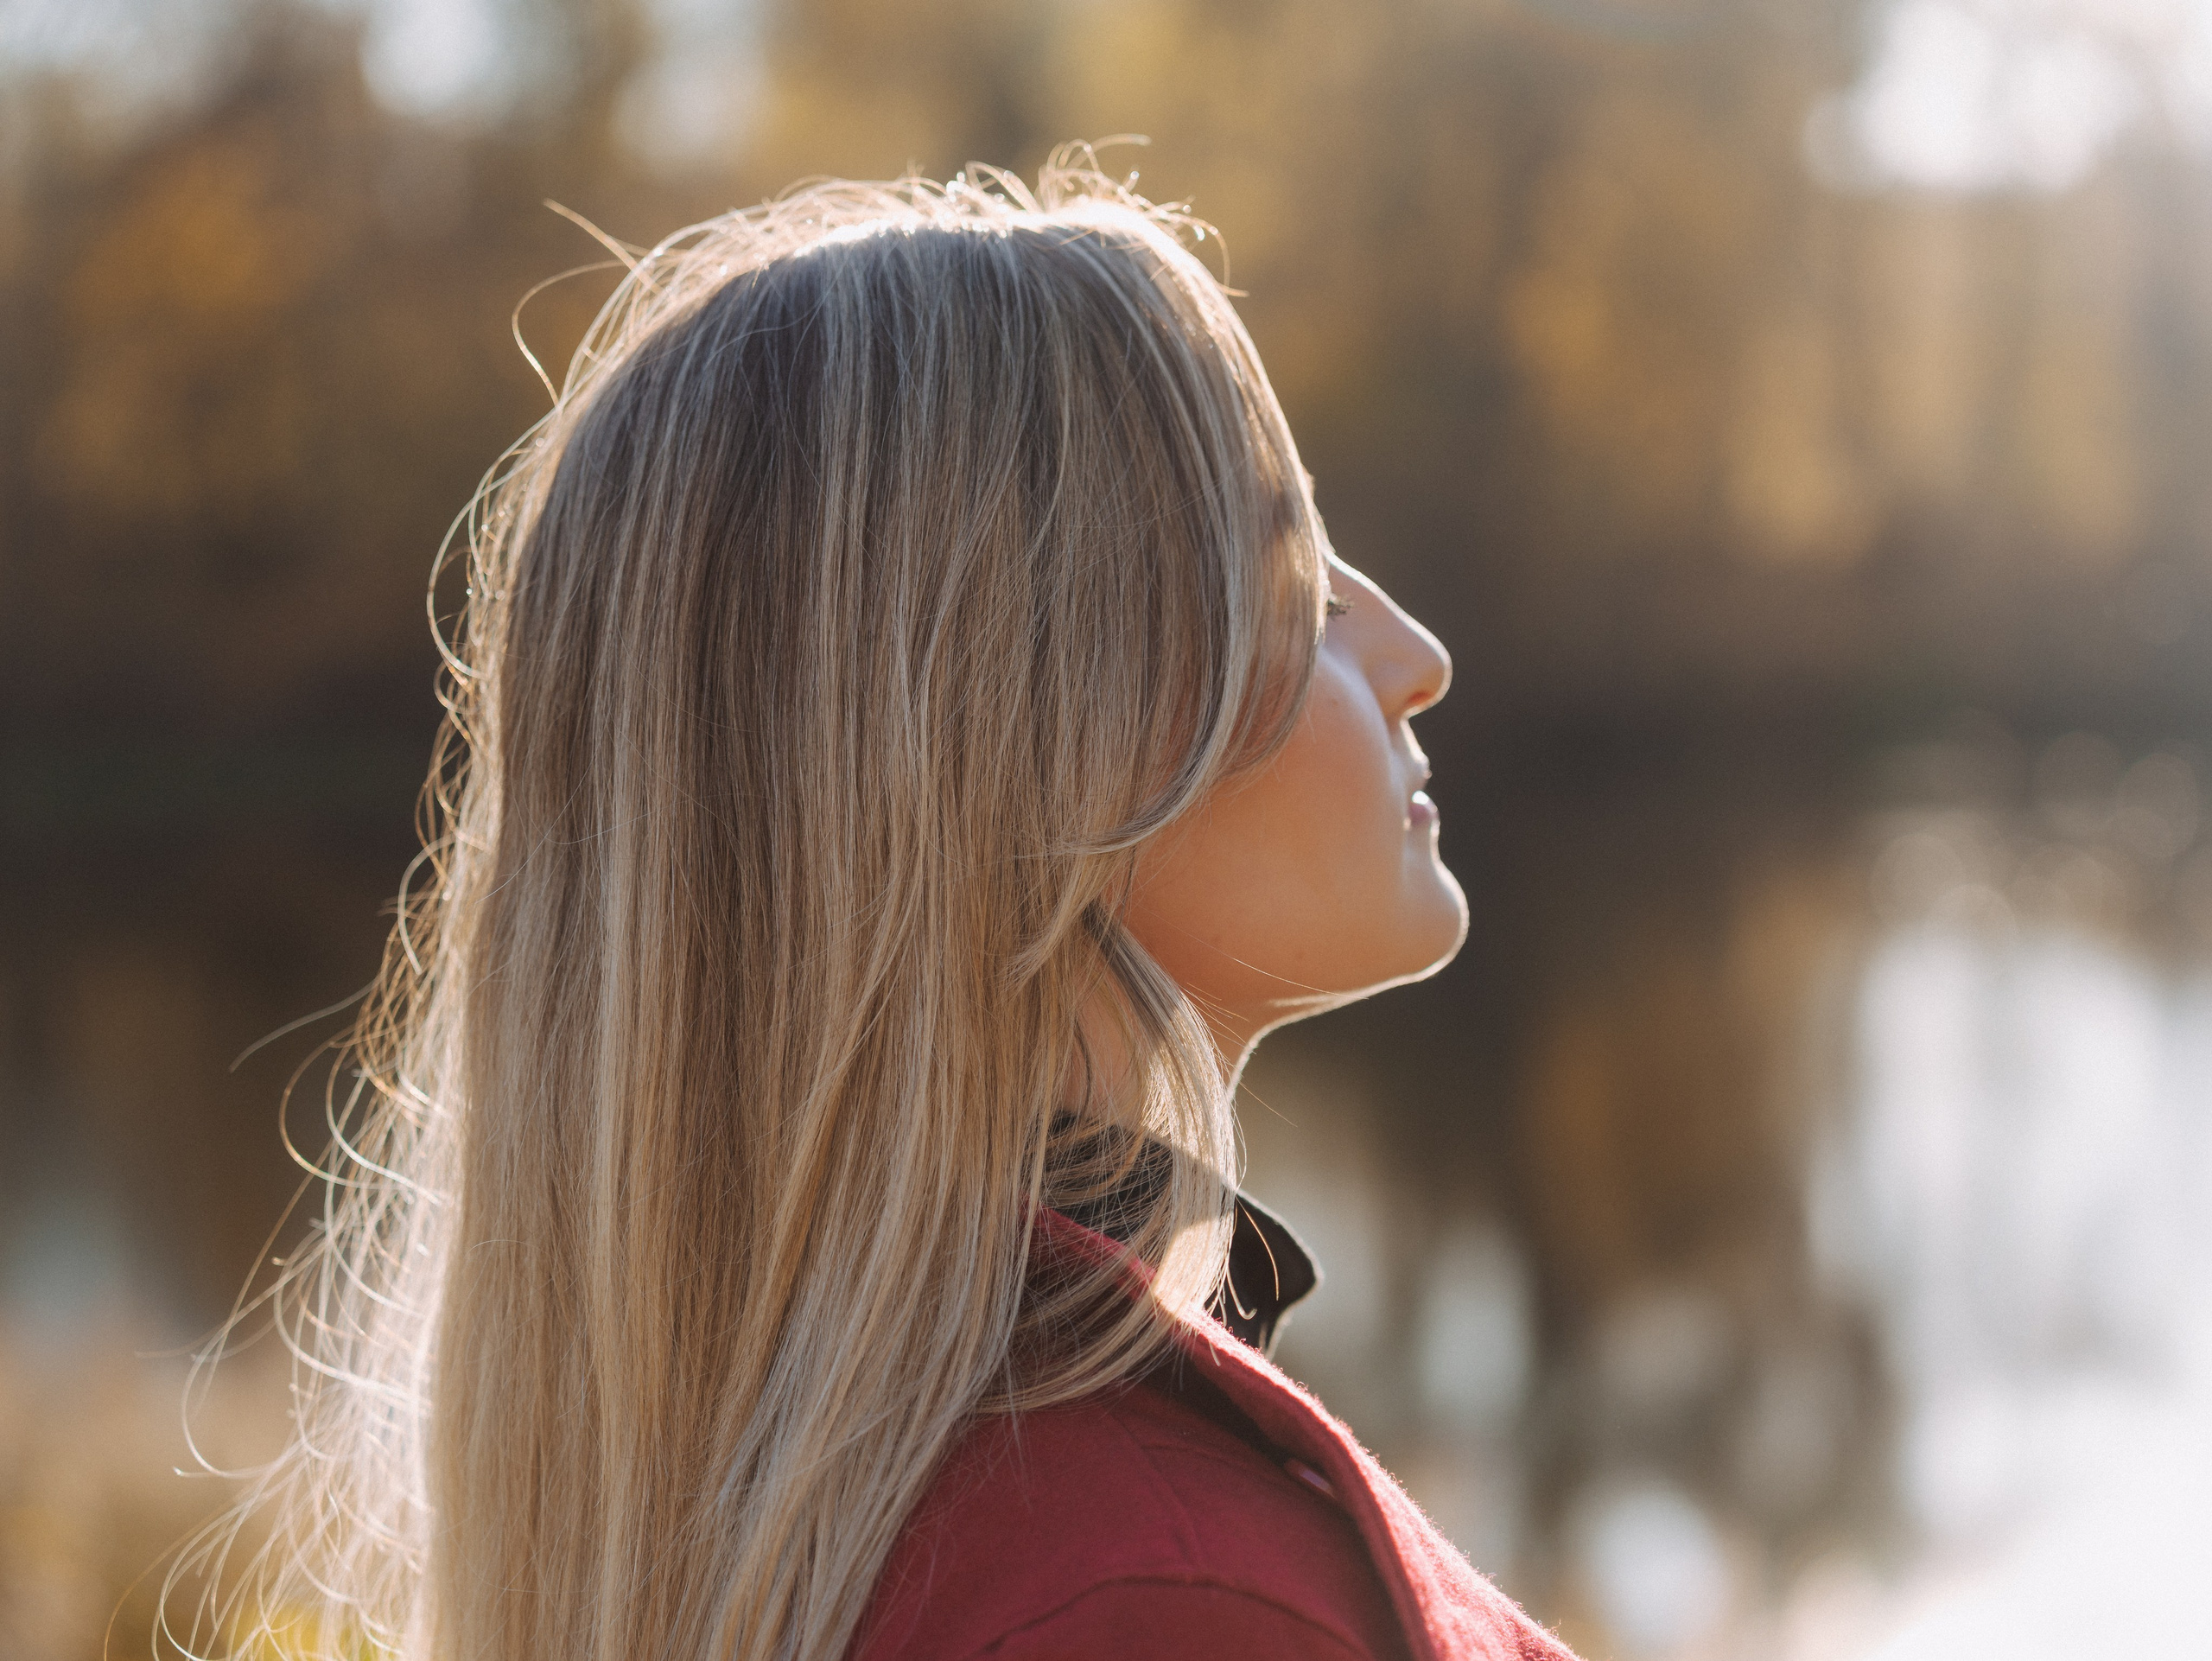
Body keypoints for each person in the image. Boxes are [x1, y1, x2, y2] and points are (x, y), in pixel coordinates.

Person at [189, 149, 1577, 1661]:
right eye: (1294, 578)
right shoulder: (1158, 1601)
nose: (1416, 653)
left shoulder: (848, 1501)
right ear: (1021, 728)